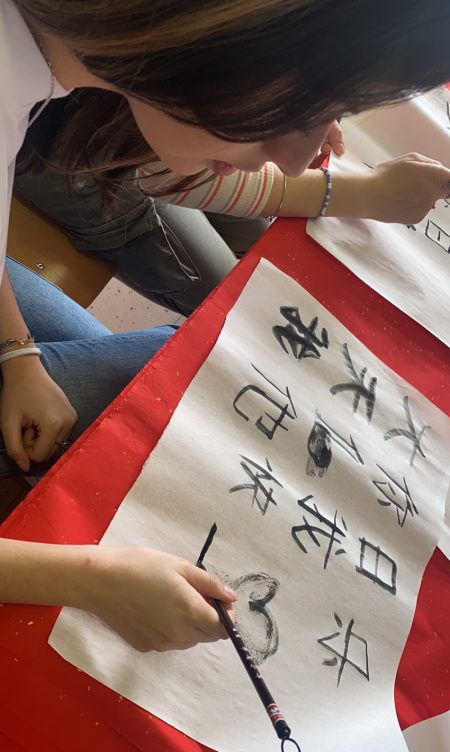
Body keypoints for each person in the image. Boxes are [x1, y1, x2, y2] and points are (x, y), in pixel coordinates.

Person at [1, 0, 450, 654]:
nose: (302, 158)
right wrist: (89, 578)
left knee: (147, 380)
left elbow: (172, 167)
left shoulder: (68, 66)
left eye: (333, 110)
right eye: (299, 110)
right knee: (152, 381)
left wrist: (18, 355)